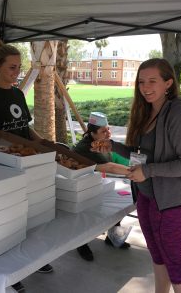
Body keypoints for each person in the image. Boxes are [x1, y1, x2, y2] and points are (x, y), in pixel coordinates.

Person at [93, 58, 181, 293]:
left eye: (153, 81)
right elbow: (141, 154)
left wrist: (148, 171)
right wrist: (112, 146)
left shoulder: (179, 115)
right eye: (142, 81)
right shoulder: (147, 113)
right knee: (157, 253)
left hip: (173, 200)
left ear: (168, 83)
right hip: (147, 195)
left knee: (174, 260)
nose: (145, 87)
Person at [0, 37, 53, 289]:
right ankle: (12, 272)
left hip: (27, 165)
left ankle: (34, 260)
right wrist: (8, 151)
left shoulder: (17, 93)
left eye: (19, 66)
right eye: (12, 67)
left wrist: (43, 143)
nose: (18, 72)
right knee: (8, 222)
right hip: (1, 171)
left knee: (30, 214)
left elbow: (24, 127)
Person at [73, 112, 131, 262]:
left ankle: (112, 238)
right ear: (92, 133)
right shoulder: (88, 147)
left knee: (119, 204)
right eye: (103, 131)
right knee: (86, 214)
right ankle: (81, 245)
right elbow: (110, 167)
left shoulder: (102, 142)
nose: (108, 133)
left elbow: (118, 159)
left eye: (108, 129)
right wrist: (136, 172)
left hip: (97, 181)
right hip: (79, 186)